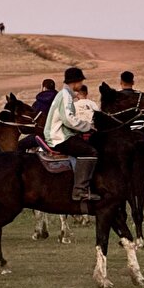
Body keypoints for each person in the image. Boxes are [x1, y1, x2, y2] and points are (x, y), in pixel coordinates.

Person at [43, 67, 98, 201]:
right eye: (81, 81)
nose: (81, 84)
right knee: (91, 152)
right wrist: (88, 127)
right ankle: (80, 190)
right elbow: (68, 119)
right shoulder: (65, 95)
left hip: (61, 135)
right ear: (76, 82)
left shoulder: (65, 94)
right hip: (59, 137)